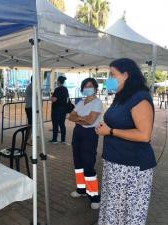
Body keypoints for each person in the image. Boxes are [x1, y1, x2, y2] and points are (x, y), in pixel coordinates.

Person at [96, 58, 156, 225]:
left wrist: (111, 131)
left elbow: (144, 135)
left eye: (112, 74)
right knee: (113, 209)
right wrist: (107, 128)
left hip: (132, 167)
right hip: (115, 164)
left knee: (129, 213)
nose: (109, 78)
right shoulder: (121, 97)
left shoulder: (140, 98)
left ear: (126, 75)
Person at [68, 78, 102, 210]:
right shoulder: (81, 102)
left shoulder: (97, 103)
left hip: (89, 135)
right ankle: (81, 189)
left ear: (95, 88)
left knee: (88, 164)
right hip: (78, 133)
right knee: (78, 163)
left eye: (90, 86)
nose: (88, 88)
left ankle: (94, 196)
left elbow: (90, 121)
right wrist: (82, 118)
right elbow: (71, 116)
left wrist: (78, 119)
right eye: (85, 86)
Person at [50, 76, 69, 144]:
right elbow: (66, 99)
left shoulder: (57, 89)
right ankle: (63, 140)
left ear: (58, 81)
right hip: (63, 110)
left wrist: (51, 97)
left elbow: (54, 99)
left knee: (55, 124)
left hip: (56, 110)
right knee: (62, 124)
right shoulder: (65, 89)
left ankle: (55, 140)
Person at [25, 77, 32, 145]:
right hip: (30, 107)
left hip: (29, 107)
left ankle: (28, 138)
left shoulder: (30, 86)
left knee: (30, 124)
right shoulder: (32, 87)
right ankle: (28, 139)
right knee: (30, 124)